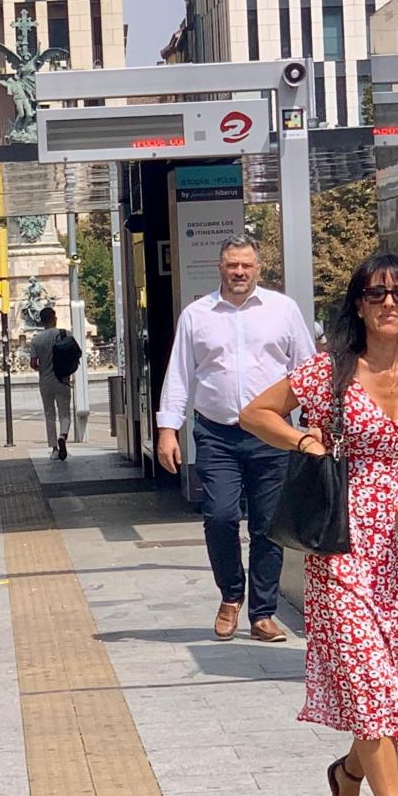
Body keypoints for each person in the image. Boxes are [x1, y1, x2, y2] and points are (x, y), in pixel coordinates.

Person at [240, 252, 398, 796]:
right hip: (342, 541)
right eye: (375, 294)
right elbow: (255, 412)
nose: (388, 304)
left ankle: (346, 774)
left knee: (393, 685)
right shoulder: (328, 373)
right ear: (358, 305)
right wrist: (303, 437)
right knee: (370, 684)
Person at [157, 234, 318, 643]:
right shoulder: (197, 314)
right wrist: (166, 429)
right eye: (232, 265)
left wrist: (314, 423)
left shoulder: (283, 310)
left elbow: (307, 370)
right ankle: (231, 594)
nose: (239, 272)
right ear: (220, 267)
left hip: (272, 434)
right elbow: (179, 374)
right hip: (216, 433)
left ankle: (262, 613)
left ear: (259, 268)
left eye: (246, 265)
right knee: (220, 516)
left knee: (268, 526)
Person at [29, 306, 72, 460]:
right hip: (62, 379)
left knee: (49, 414)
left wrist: (43, 368)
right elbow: (75, 354)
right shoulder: (65, 334)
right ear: (54, 318)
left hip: (45, 381)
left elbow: (33, 363)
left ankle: (54, 448)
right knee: (65, 413)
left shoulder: (37, 340)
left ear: (41, 321)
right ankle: (63, 435)